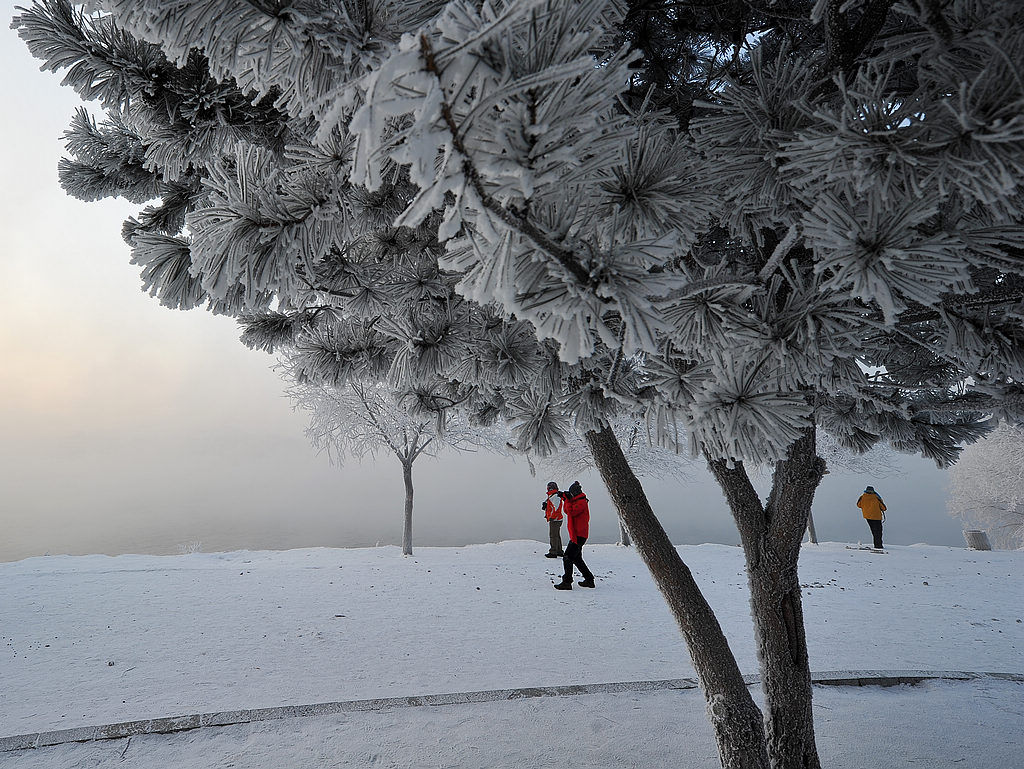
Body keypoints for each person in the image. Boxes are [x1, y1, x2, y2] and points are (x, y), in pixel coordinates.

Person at [554, 481, 595, 589]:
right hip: (578, 535)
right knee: (576, 559)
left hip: (579, 535)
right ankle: (589, 579)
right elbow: (569, 509)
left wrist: (566, 499)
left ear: (575, 493)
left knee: (567, 557)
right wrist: (564, 497)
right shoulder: (578, 500)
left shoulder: (581, 503)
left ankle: (567, 582)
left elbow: (570, 511)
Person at [857, 485, 887, 550]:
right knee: (878, 532)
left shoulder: (862, 497)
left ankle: (877, 545)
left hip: (867, 516)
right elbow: (884, 508)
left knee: (873, 531)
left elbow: (858, 505)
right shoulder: (876, 497)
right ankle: (878, 546)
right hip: (876, 517)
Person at [542, 481, 564, 558]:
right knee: (556, 535)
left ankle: (553, 552)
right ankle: (559, 551)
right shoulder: (553, 495)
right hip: (556, 519)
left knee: (553, 535)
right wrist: (546, 506)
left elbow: (556, 508)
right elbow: (552, 507)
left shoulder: (555, 496)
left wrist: (552, 517)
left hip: (555, 519)